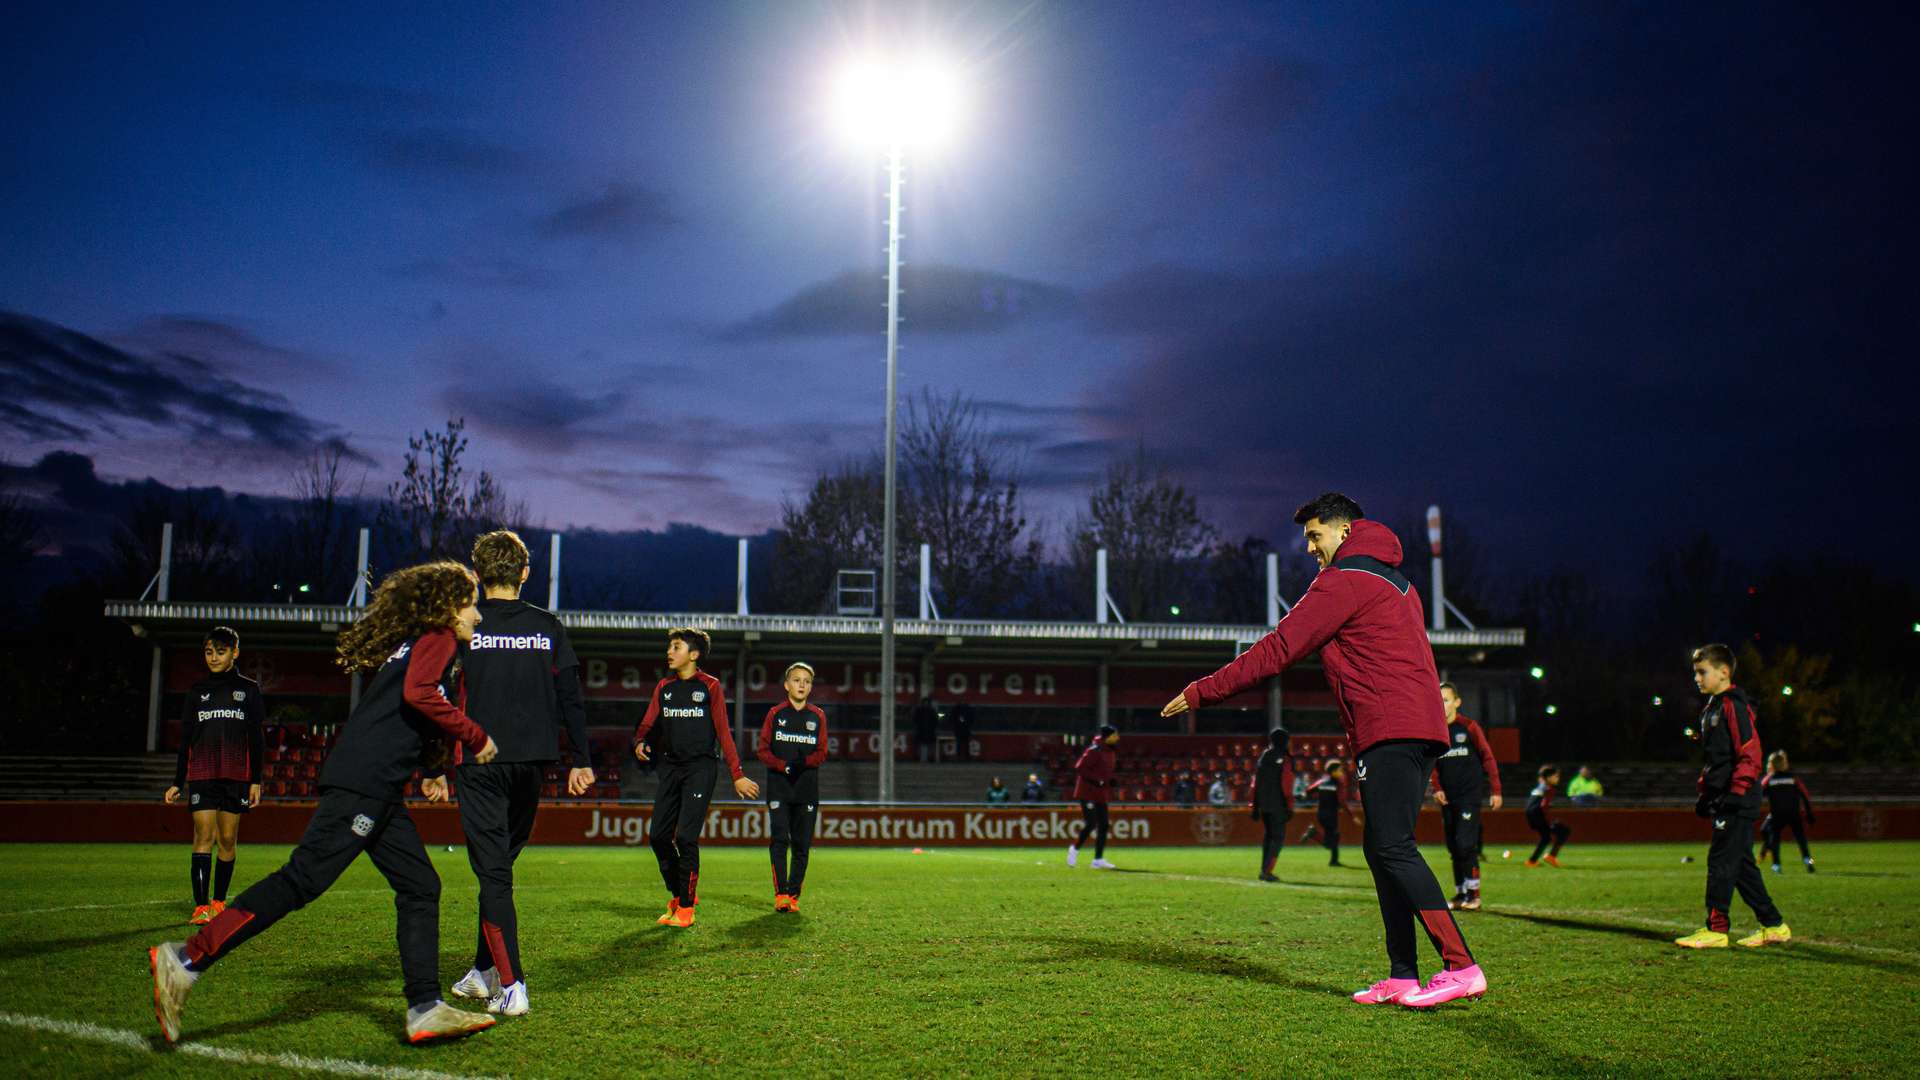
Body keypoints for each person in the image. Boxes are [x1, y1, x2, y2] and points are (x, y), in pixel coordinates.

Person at [148, 561, 501, 1046]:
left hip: (377, 788)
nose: (477, 616)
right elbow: (420, 694)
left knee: (421, 885)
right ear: (447, 606)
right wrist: (475, 735)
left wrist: (434, 768)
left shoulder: (419, 644)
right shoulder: (438, 638)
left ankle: (424, 1007)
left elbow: (407, 709)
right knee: (301, 881)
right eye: (471, 603)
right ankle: (188, 958)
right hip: (365, 785)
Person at [1162, 492, 1482, 1008]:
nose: (1310, 547)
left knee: (1393, 847)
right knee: (1381, 849)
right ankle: (1402, 975)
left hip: (1389, 726)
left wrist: (1203, 690)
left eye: (1316, 536)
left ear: (1345, 532)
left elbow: (1280, 648)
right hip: (1412, 727)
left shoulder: (1344, 580)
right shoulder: (1396, 581)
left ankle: (1461, 965)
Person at [443, 530, 593, 1018]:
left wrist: (430, 765)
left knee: (493, 873)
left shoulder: (467, 625)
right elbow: (571, 697)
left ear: (478, 573)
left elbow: (438, 696)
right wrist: (582, 759)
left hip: (480, 763)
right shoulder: (547, 626)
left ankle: (512, 986)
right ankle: (482, 972)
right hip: (533, 763)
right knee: (499, 871)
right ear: (525, 573)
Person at [632, 627, 761, 927]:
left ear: (694, 654)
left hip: (701, 769)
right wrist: (639, 742)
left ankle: (686, 909)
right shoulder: (664, 687)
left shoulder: (710, 687)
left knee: (686, 837)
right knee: (658, 837)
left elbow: (723, 733)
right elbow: (648, 722)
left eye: (675, 647)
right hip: (671, 768)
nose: (669, 651)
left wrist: (737, 775)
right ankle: (678, 893)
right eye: (669, 646)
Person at [1675, 644, 1790, 949]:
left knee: (1721, 861)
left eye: (1702, 672)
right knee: (1740, 864)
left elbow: (1749, 753)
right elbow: (1717, 760)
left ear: (1724, 672)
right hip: (1725, 796)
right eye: (1695, 672)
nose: (1696, 678)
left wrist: (1736, 792)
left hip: (1737, 798)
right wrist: (1706, 791)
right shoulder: (1711, 707)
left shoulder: (1732, 705)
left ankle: (1716, 928)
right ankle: (1774, 925)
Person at [164, 626, 265, 926]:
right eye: (209, 652)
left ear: (235, 653)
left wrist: (256, 780)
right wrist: (176, 781)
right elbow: (185, 741)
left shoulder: (248, 690)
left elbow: (256, 739)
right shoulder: (197, 692)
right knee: (202, 835)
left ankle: (219, 901)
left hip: (235, 776)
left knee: (227, 839)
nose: (214, 657)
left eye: (220, 651)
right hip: (203, 773)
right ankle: (201, 907)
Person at [755, 661, 829, 912]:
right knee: (779, 838)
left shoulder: (817, 715)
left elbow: (822, 752)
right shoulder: (776, 714)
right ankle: (781, 894)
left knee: (802, 843)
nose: (802, 685)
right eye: (797, 680)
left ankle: (794, 896)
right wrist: (782, 765)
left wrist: (803, 763)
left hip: (807, 789)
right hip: (779, 788)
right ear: (787, 685)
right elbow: (762, 750)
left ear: (810, 688)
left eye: (807, 682)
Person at [1430, 682, 1502, 910]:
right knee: (1453, 846)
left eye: (1446, 699)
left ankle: (1475, 895)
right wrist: (1437, 788)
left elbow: (1487, 757)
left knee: (1465, 844)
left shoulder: (1469, 727)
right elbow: (1432, 764)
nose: (1442, 705)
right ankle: (1461, 894)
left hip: (1469, 797)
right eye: (1438, 700)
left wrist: (1496, 790)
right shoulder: (1435, 731)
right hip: (1447, 798)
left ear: (1457, 702)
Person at [1067, 725, 1118, 869]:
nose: (1117, 738)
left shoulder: (1110, 752)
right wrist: (1098, 780)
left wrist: (1110, 780)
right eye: (1115, 735)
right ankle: (1074, 849)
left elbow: (1105, 771)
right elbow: (1080, 768)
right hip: (1087, 792)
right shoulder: (1094, 750)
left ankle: (1098, 859)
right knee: (1091, 823)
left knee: (1104, 824)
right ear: (1107, 737)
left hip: (1100, 793)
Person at [1757, 750, 1816, 873]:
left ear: (1771, 764)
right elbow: (1805, 795)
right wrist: (1809, 812)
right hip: (1794, 813)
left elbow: (1757, 794)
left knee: (1775, 839)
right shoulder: (1793, 778)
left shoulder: (1769, 779)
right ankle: (1808, 861)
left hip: (1777, 814)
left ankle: (1776, 866)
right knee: (1801, 839)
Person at [1252, 728, 1295, 881]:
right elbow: (1287, 784)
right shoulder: (1286, 757)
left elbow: (1256, 782)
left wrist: (1255, 806)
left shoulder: (1264, 756)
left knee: (1268, 837)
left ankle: (1264, 869)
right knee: (1278, 837)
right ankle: (1267, 871)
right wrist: (1290, 806)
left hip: (1264, 805)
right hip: (1279, 805)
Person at [1305, 761, 1360, 866]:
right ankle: (1313, 834)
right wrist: (1352, 816)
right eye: (1339, 770)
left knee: (1334, 837)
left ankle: (1333, 861)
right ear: (1333, 771)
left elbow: (1308, 790)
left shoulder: (1321, 782)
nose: (1342, 772)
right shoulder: (1337, 784)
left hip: (1321, 814)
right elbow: (1342, 803)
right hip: (1331, 815)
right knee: (1331, 841)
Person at [1523, 765, 1569, 867]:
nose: (1558, 778)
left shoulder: (1541, 786)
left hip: (1531, 814)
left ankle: (1534, 860)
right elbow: (1543, 805)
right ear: (1548, 778)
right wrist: (1548, 820)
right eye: (1556, 776)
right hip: (1537, 814)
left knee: (1548, 836)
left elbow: (1533, 804)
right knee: (1562, 831)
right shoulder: (1549, 788)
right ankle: (1538, 860)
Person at [912, 696, 940, 763]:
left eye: (927, 702)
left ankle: (927, 758)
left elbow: (935, 720)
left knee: (927, 745)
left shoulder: (927, 710)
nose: (926, 704)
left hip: (927, 730)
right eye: (925, 702)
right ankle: (924, 758)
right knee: (924, 744)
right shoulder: (927, 710)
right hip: (923, 730)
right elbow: (915, 719)